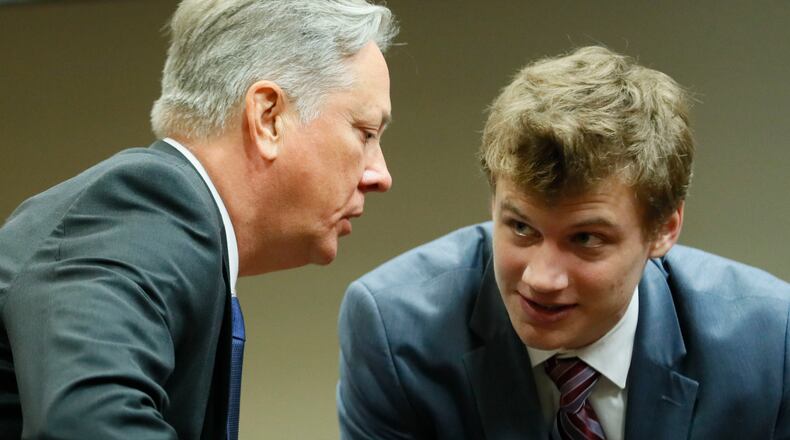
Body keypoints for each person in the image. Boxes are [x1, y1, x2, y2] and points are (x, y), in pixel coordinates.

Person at [337, 46, 790, 439]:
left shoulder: (769, 343)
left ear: (664, 230)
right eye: (521, 228)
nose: (541, 279)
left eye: (586, 238)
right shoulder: (396, 332)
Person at [0, 0, 397, 438]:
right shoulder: (147, 204)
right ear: (268, 118)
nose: (380, 175)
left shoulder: (171, 217)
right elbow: (84, 423)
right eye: (365, 133)